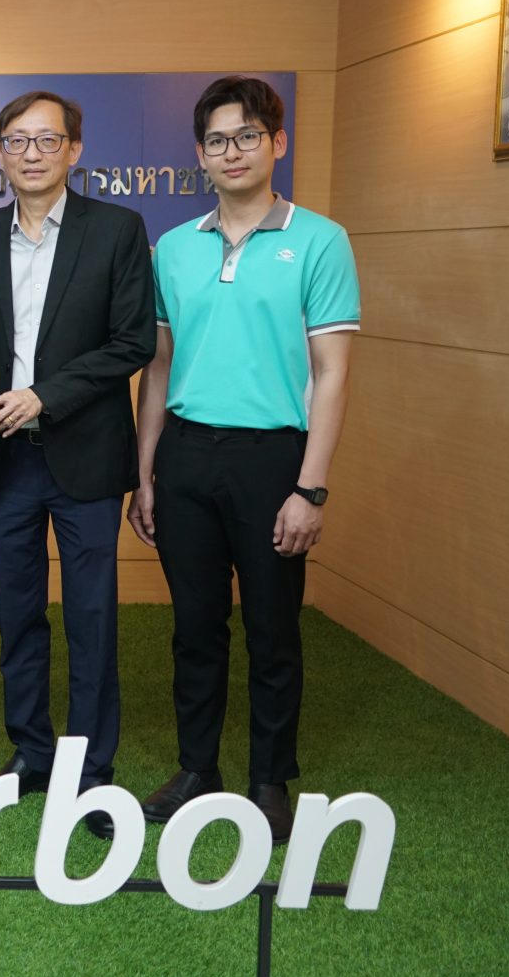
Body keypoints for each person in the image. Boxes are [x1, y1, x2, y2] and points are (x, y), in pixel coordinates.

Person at [129, 76, 359, 843]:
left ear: (277, 143)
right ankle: (198, 769)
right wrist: (145, 474)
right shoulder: (173, 248)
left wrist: (310, 489)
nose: (233, 152)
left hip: (273, 461)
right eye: (218, 140)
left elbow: (332, 374)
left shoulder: (319, 240)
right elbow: (158, 367)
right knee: (195, 628)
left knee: (272, 628)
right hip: (186, 456)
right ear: (200, 154)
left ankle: (268, 780)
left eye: (248, 136)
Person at [0, 90, 154, 840]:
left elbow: (132, 342)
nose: (31, 154)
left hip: (85, 457)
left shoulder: (117, 230)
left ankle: (91, 773)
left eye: (46, 140)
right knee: (17, 617)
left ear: (74, 150)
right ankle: (31, 752)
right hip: (3, 462)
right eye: (16, 140)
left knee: (91, 619)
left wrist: (43, 395)